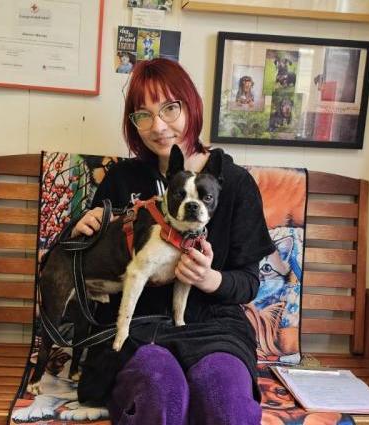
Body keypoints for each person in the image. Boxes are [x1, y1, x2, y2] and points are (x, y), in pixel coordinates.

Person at [70, 58, 275, 424]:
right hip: (137, 327)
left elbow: (249, 282)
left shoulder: (235, 184)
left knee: (225, 399)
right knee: (160, 390)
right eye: (143, 115)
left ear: (191, 106)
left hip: (215, 326)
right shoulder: (122, 179)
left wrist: (210, 279)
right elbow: (87, 261)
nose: (158, 126)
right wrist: (82, 229)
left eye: (169, 108)